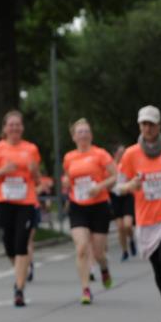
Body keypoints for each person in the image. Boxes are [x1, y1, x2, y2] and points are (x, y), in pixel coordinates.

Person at [114, 106, 161, 322]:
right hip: (146, 217)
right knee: (157, 266)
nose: (147, 128)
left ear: (159, 126)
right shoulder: (130, 154)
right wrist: (130, 185)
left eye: (151, 124)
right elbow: (118, 187)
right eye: (143, 124)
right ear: (139, 126)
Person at [0, 111, 41, 307]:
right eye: (11, 125)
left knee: (21, 243)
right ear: (5, 128)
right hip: (4, 202)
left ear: (22, 128)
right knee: (9, 244)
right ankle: (21, 269)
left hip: (25, 202)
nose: (14, 128)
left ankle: (19, 288)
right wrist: (2, 171)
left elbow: (38, 179)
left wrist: (34, 172)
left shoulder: (31, 149)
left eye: (18, 125)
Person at [61, 119, 116, 305]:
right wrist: (66, 183)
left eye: (86, 131)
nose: (83, 135)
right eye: (80, 132)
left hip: (99, 206)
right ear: (74, 136)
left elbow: (116, 177)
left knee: (98, 252)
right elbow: (68, 179)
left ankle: (104, 268)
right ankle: (86, 289)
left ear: (91, 135)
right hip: (78, 206)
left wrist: (100, 186)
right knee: (82, 247)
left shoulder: (100, 154)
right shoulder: (69, 157)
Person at [110, 144, 137, 261]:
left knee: (128, 225)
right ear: (115, 154)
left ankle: (131, 239)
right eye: (121, 152)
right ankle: (125, 251)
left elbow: (135, 178)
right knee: (120, 227)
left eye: (124, 152)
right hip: (115, 197)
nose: (123, 154)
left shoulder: (129, 163)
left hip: (127, 196)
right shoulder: (110, 165)